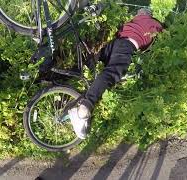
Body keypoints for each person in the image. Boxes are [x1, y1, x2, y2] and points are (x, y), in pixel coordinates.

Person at [68, 8, 163, 139]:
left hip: (115, 43)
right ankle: (84, 108)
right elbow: (156, 46)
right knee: (111, 74)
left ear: (139, 14)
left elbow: (119, 32)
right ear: (150, 16)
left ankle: (66, 91)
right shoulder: (155, 24)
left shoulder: (133, 21)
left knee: (92, 66)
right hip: (128, 46)